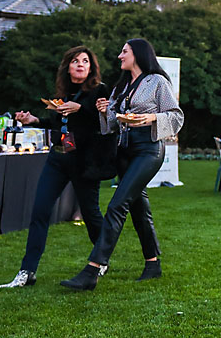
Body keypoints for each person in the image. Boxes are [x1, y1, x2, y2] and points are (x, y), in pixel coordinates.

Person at [61, 38, 184, 290]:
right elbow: (111, 126)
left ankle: (93, 269)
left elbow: (176, 115)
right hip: (124, 151)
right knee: (139, 209)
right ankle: (153, 264)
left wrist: (151, 117)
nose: (119, 56)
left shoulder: (157, 82)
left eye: (124, 52)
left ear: (137, 54)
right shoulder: (121, 87)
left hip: (148, 150)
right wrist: (104, 111)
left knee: (117, 204)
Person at [0, 46, 109, 288]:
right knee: (39, 211)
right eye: (75, 61)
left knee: (91, 215)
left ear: (91, 67)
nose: (80, 64)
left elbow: (106, 121)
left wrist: (82, 108)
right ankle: (27, 271)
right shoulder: (62, 92)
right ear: (67, 66)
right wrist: (34, 121)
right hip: (58, 159)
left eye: (85, 61)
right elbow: (57, 123)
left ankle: (101, 258)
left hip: (84, 162)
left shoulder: (99, 91)